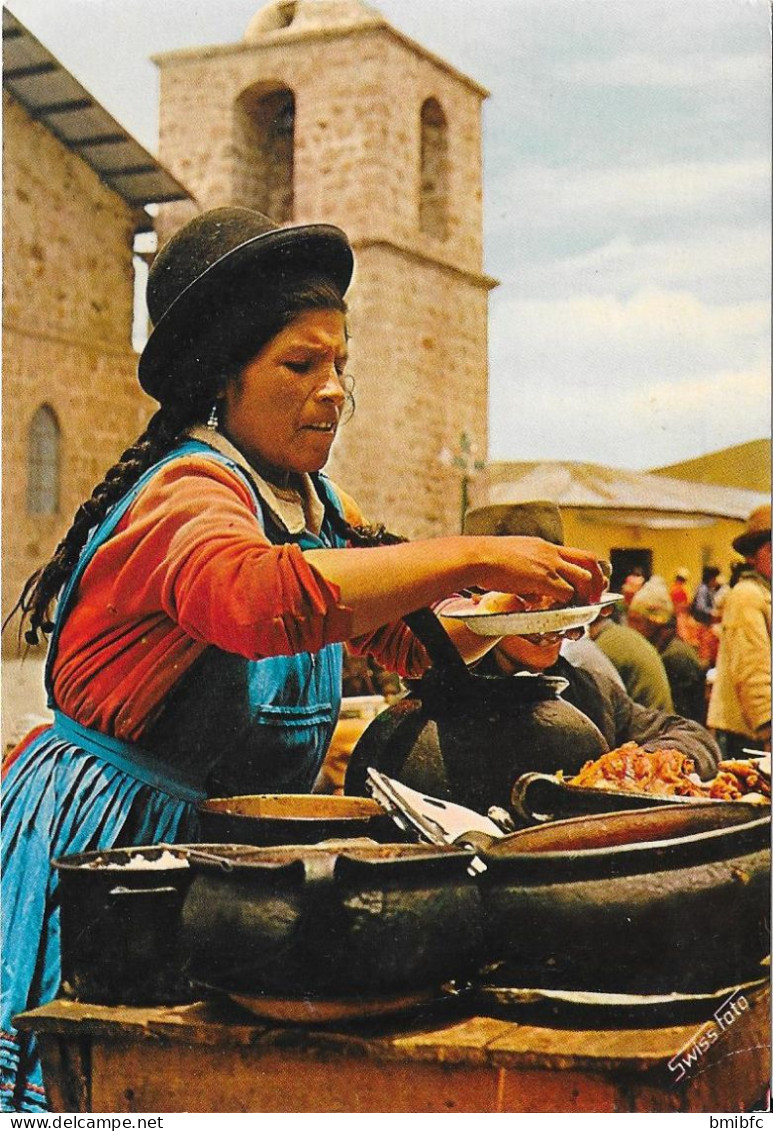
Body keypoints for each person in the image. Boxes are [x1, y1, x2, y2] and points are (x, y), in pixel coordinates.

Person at [0, 207, 604, 1112]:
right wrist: (470, 553)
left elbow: (391, 629)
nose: (331, 391)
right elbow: (259, 601)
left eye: (339, 366)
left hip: (221, 856)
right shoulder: (187, 492)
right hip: (114, 850)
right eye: (299, 364)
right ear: (221, 377)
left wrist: (499, 622)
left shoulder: (309, 500)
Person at [464, 504, 720, 780]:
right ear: (480, 604)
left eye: (555, 593)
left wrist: (631, 768)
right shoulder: (449, 695)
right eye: (523, 596)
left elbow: (695, 738)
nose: (543, 616)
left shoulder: (590, 691)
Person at [707, 505, 771, 759]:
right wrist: (769, 730)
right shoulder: (747, 595)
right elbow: (753, 670)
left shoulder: (763, 594)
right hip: (751, 733)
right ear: (752, 556)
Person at [627, 576, 708, 724]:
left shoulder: (675, 657)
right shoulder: (667, 649)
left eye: (636, 621)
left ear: (655, 623)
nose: (630, 628)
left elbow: (682, 718)